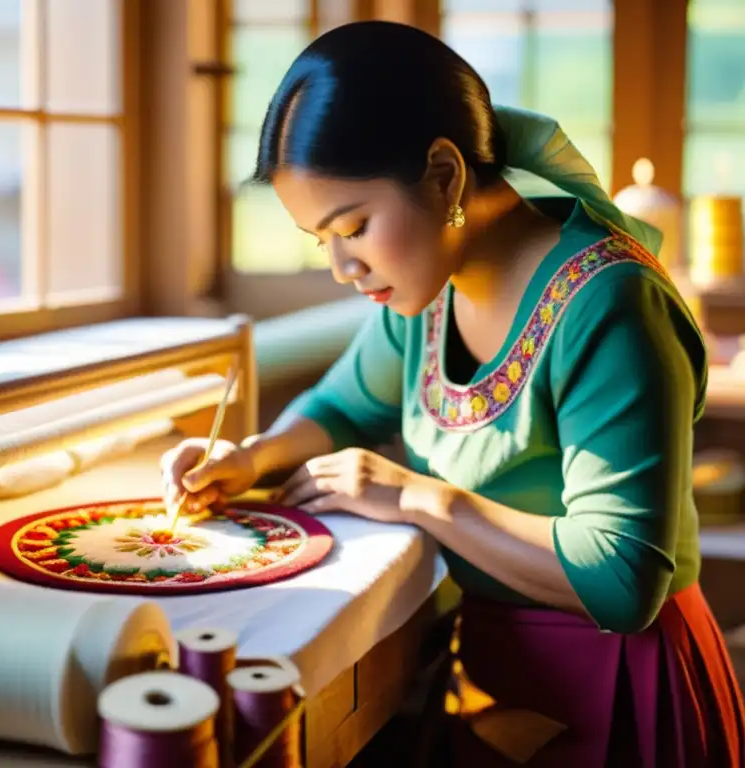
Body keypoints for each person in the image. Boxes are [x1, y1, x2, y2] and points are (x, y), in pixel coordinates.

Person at [161, 20, 745, 768]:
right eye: (322, 241)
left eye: (355, 227)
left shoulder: (610, 303)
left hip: (620, 685)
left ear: (444, 176)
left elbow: (623, 576)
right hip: (501, 674)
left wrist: (418, 498)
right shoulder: (428, 290)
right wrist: (247, 458)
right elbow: (344, 405)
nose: (343, 266)